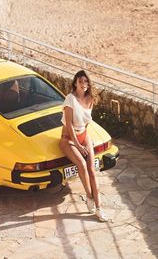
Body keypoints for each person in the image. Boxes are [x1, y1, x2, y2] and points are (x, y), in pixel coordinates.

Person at [59, 70, 108, 222]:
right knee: (81, 163)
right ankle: (89, 197)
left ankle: (99, 208)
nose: (84, 84)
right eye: (81, 81)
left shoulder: (90, 98)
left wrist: (86, 140)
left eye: (86, 81)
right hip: (68, 138)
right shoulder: (70, 99)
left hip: (83, 135)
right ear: (75, 83)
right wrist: (78, 146)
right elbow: (69, 124)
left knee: (92, 170)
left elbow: (86, 122)